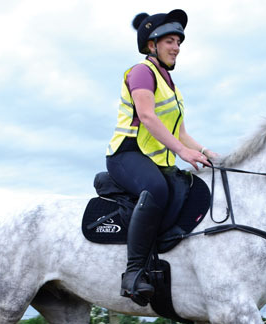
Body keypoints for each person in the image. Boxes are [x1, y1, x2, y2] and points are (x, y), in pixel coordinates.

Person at [106, 9, 217, 305]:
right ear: (152, 45)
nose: (176, 47)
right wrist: (183, 152)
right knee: (156, 188)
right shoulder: (142, 72)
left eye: (179, 41)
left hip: (154, 161)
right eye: (169, 40)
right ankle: (132, 274)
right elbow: (146, 116)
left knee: (186, 186)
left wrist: (208, 154)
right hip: (126, 154)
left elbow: (181, 133)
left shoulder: (173, 87)